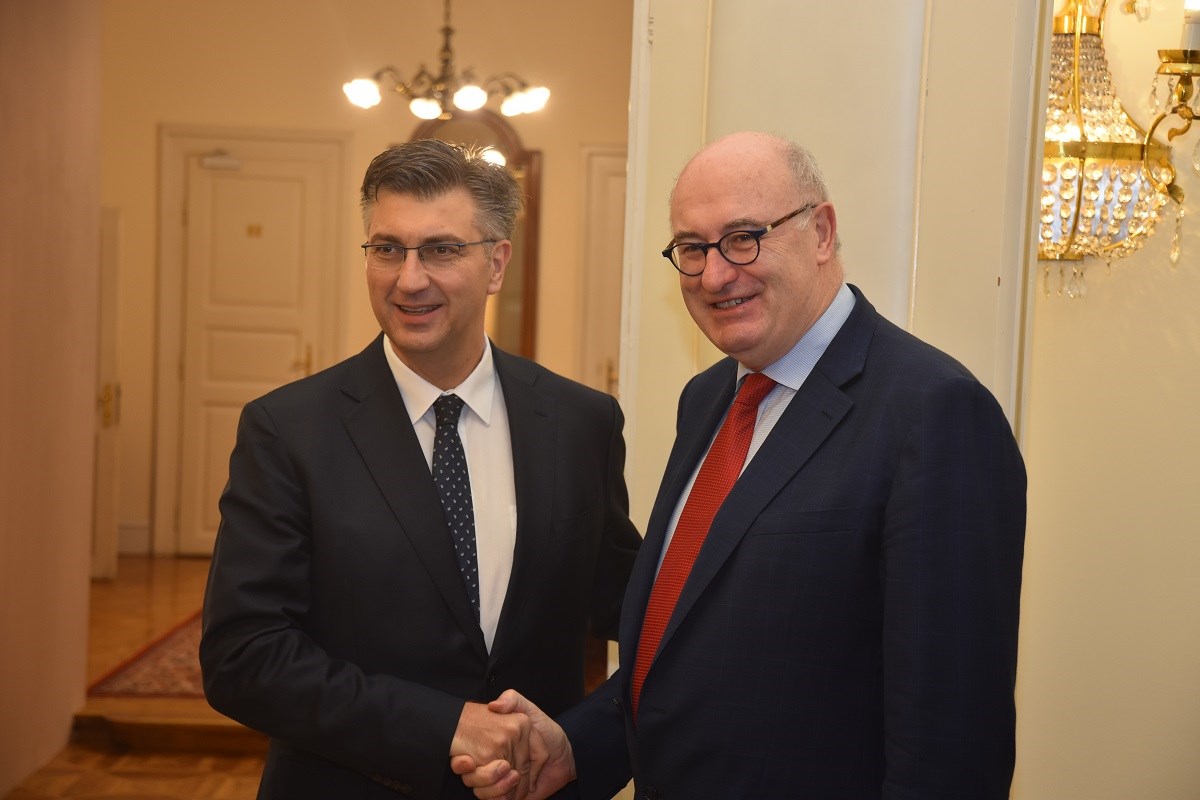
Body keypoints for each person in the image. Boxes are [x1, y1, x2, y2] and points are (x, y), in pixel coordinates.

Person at [457, 131, 1027, 799]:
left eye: (744, 238)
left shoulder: (934, 412)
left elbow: (952, 743)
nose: (716, 274)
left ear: (821, 232)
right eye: (693, 249)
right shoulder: (709, 399)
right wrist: (576, 747)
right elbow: (683, 653)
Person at [200, 138, 641, 800]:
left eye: (440, 249)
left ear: (497, 263)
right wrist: (446, 728)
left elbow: (635, 616)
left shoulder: (580, 423)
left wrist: (583, 742)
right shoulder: (288, 430)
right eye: (388, 249)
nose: (408, 279)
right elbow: (243, 656)